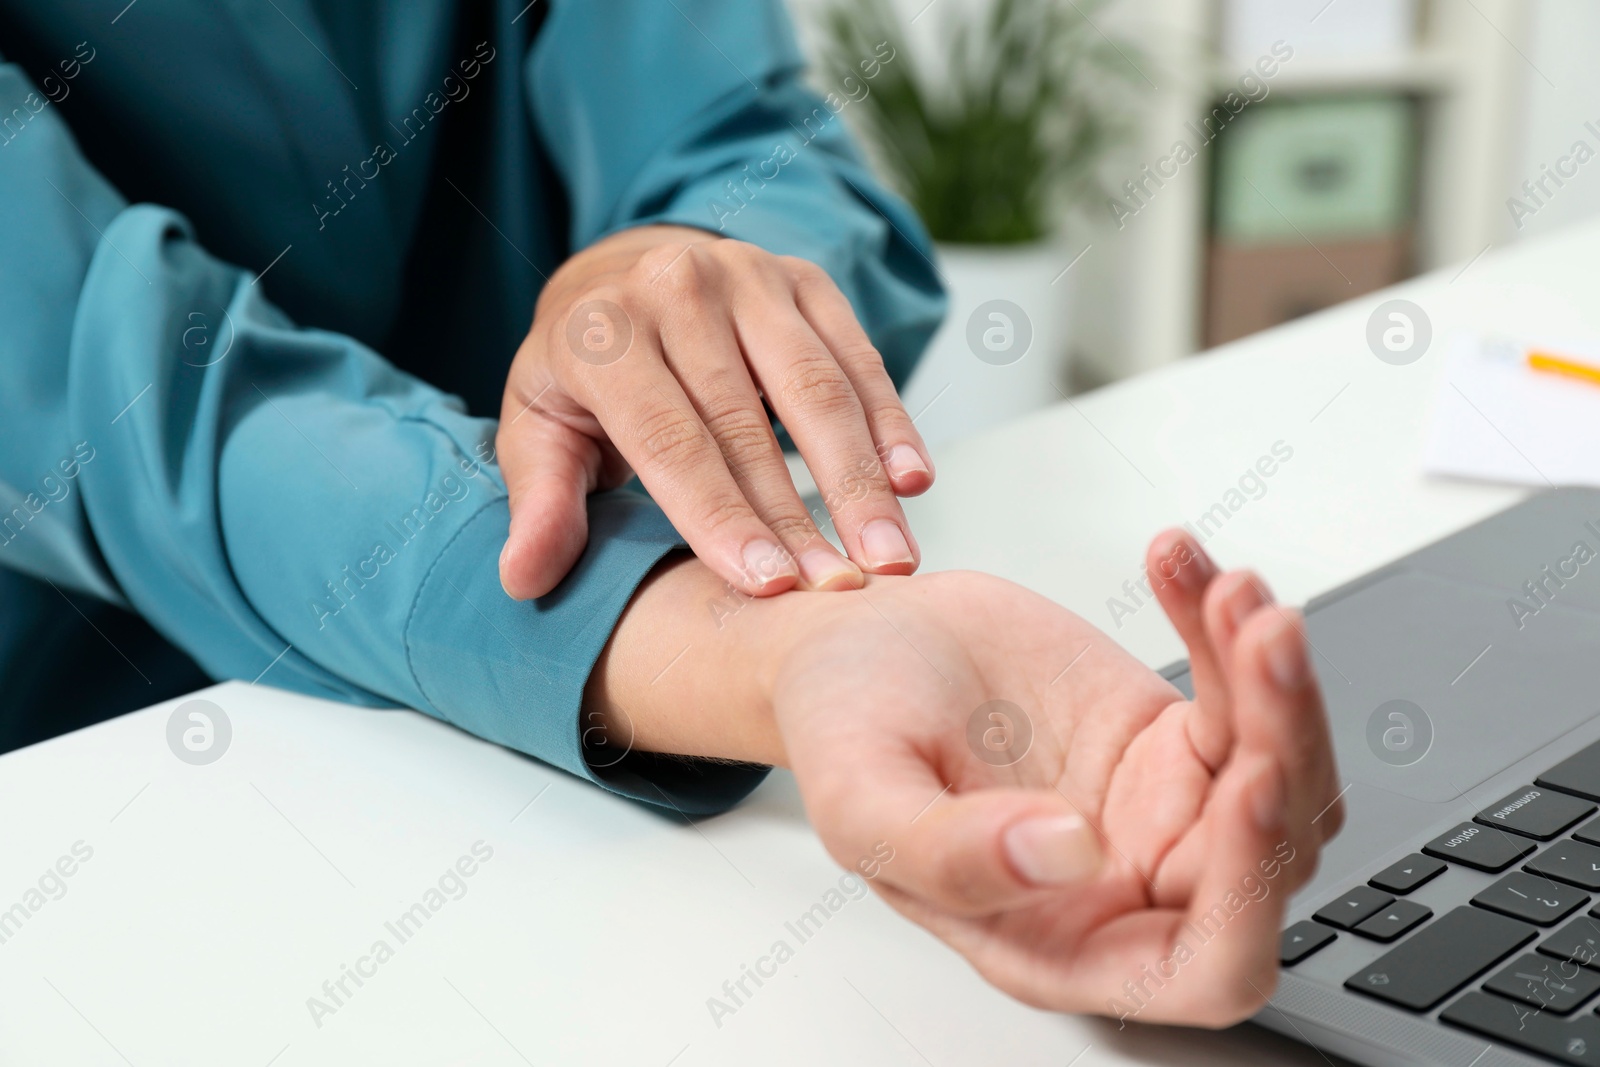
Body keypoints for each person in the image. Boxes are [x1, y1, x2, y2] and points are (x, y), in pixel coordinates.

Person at [0, 0, 1341, 1026]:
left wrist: (682, 272)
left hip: (553, 809)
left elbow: (754, 145)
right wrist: (759, 648)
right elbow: (128, 409)